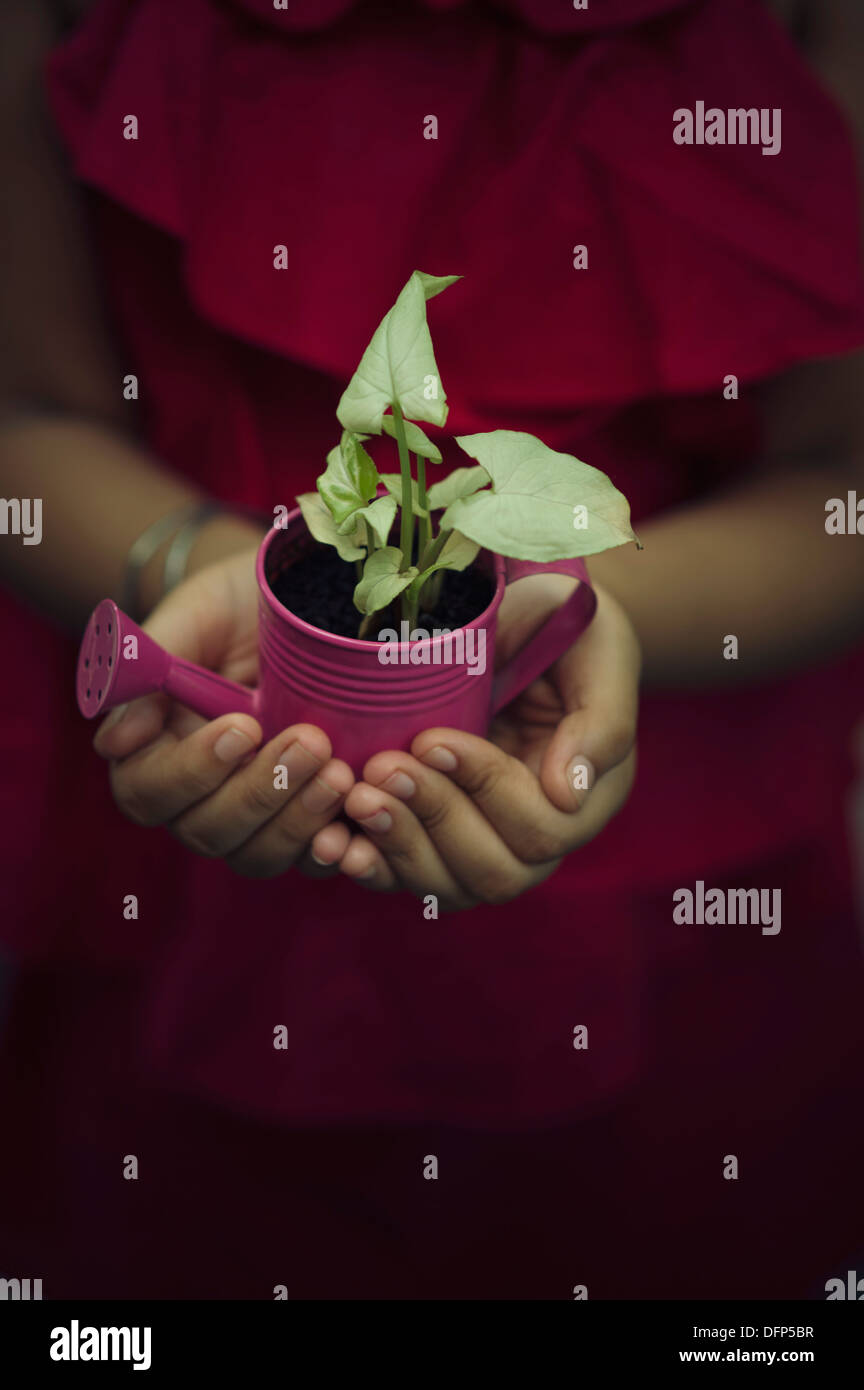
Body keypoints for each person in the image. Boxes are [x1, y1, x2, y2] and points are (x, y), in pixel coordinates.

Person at [0, 0, 862, 1298]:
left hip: (673, 859)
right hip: (182, 898)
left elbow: (841, 478)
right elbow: (28, 410)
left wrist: (577, 607)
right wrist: (195, 564)